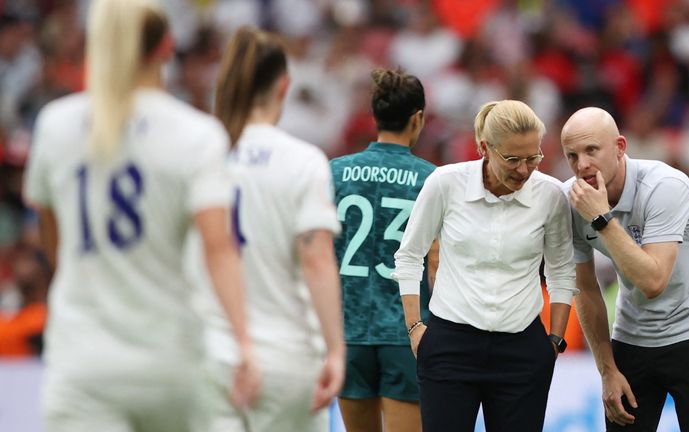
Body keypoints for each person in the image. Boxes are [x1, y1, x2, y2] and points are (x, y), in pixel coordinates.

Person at [22, 0, 259, 431]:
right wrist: (244, 342)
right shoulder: (197, 134)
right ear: (166, 47)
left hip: (82, 359)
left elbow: (52, 237)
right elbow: (219, 247)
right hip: (170, 359)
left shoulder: (56, 125)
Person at [393, 100, 577, 432]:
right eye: (512, 159)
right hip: (450, 344)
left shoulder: (550, 195)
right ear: (484, 148)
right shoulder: (445, 183)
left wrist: (554, 341)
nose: (524, 170)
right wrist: (414, 328)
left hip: (523, 348)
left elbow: (562, 270)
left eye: (533, 158)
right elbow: (409, 255)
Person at [201, 26, 345, 431]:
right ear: (284, 85)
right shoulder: (302, 160)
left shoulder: (198, 155)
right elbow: (316, 260)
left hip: (210, 357)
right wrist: (335, 351)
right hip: (286, 360)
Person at [560, 107, 689, 431]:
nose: (581, 165)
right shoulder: (571, 200)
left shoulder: (665, 186)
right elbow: (584, 287)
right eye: (572, 155)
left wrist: (601, 219)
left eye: (591, 150)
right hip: (632, 334)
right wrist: (607, 370)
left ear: (620, 147)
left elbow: (653, 281)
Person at [330, 68, 436, 432]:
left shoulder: (335, 173)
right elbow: (435, 261)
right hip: (407, 331)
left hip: (348, 328)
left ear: (374, 115)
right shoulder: (431, 179)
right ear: (417, 118)